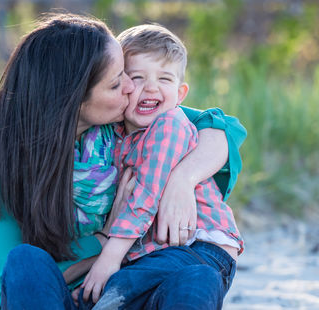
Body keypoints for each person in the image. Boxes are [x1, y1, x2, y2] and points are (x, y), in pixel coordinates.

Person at [0, 14, 246, 310]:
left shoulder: (124, 120)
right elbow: (8, 278)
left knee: (198, 279)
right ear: (73, 100)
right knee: (24, 260)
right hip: (54, 298)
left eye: (126, 73)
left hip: (123, 293)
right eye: (117, 82)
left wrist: (181, 179)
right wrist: (104, 239)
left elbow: (220, 128)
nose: (130, 88)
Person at [79, 24, 244, 309]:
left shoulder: (169, 125)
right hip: (163, 253)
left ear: (180, 94)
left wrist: (109, 256)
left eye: (164, 79)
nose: (151, 87)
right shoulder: (117, 135)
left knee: (120, 283)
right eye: (137, 77)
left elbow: (144, 195)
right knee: (136, 284)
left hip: (203, 248)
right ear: (121, 85)